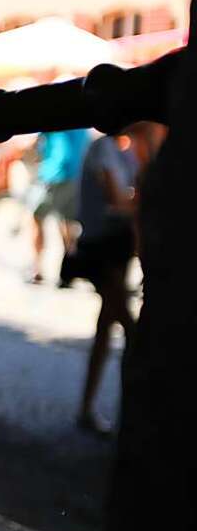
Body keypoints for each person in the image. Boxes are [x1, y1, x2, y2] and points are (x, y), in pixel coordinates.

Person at [66, 124, 163, 435]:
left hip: (115, 248)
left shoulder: (123, 151)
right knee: (132, 333)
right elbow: (120, 200)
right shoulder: (104, 149)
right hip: (102, 248)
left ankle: (90, 408)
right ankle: (135, 418)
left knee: (108, 326)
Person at [26, 128, 90, 283]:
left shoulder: (52, 114)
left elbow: (35, 144)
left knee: (37, 218)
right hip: (76, 174)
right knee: (67, 222)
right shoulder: (82, 124)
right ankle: (69, 270)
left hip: (54, 173)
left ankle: (37, 269)